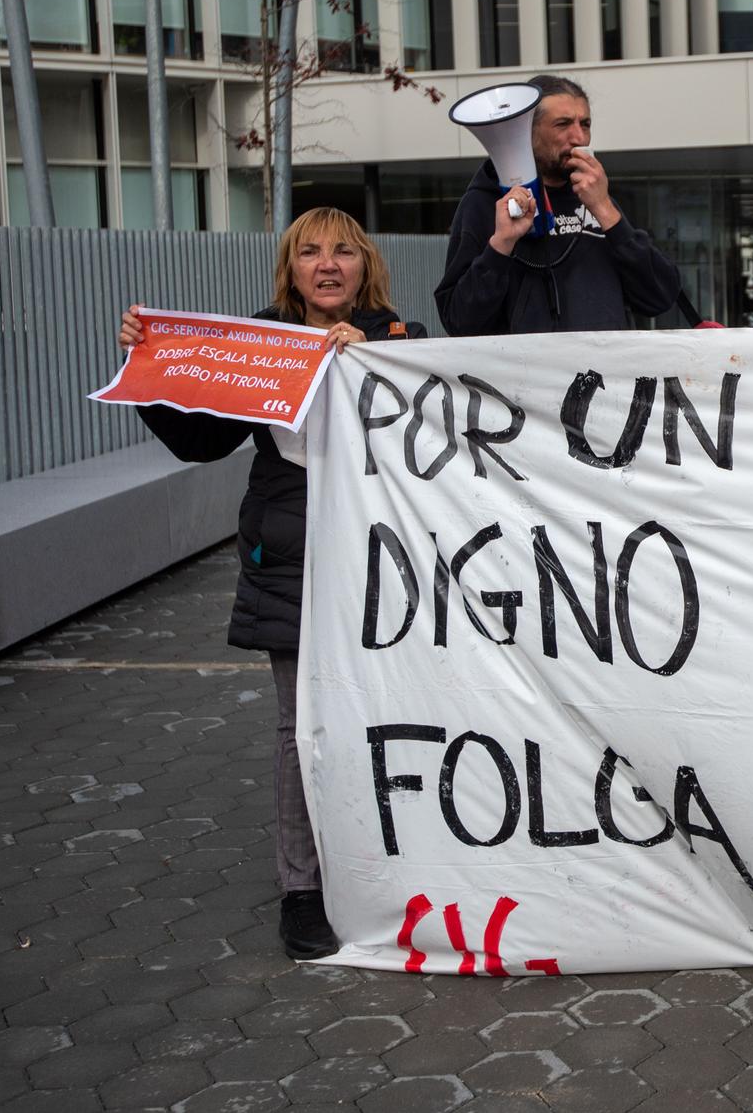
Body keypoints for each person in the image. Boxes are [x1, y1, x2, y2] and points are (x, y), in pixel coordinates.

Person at [117, 208, 424, 961]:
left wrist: (377, 361)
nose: (327, 264)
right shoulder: (261, 344)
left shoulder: (401, 339)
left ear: (365, 266)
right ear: (290, 270)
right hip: (289, 562)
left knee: (390, 714)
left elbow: (435, 431)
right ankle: (303, 889)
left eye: (343, 251)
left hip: (385, 564)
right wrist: (150, 367)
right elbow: (199, 439)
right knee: (300, 729)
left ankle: (395, 866)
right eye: (310, 252)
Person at [436, 74, 683, 335]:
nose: (579, 137)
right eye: (563, 124)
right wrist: (500, 246)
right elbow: (459, 321)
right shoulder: (484, 203)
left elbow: (660, 297)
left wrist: (605, 211)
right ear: (528, 130)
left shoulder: (596, 198)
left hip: (601, 372)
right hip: (524, 373)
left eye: (585, 124)